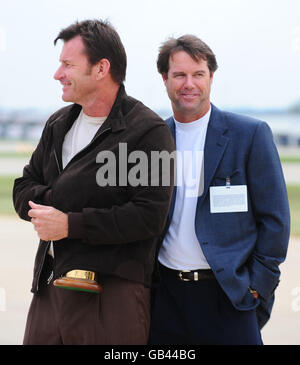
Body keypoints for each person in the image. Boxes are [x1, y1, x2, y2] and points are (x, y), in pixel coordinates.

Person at [13, 19, 175, 345]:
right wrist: (60, 202)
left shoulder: (149, 132)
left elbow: (148, 217)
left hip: (112, 296)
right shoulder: (58, 123)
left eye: (67, 65)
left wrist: (70, 224)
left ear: (101, 69)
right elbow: (22, 187)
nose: (58, 74)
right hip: (49, 290)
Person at [149, 34, 290, 345]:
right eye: (180, 75)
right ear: (165, 78)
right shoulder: (153, 140)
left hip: (228, 296)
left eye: (198, 74)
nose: (189, 83)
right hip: (166, 300)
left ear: (211, 77)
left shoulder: (249, 135)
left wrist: (257, 286)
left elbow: (275, 220)